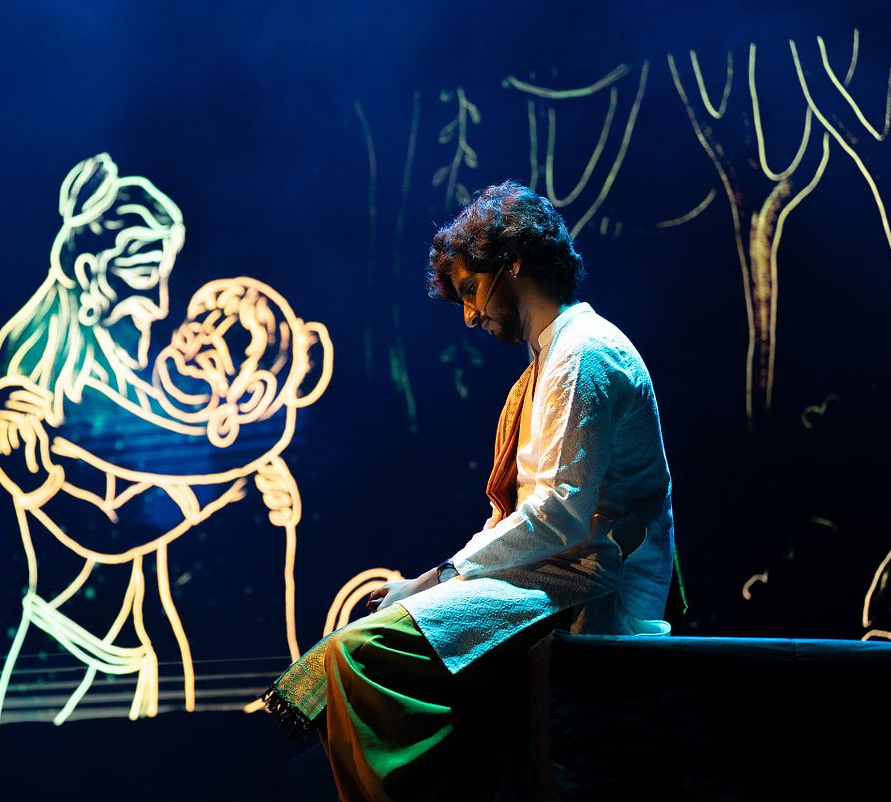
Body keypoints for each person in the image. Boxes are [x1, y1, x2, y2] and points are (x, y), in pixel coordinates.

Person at [261, 180, 675, 801]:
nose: (469, 315)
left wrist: (432, 581)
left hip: (586, 586)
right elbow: (527, 515)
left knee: (360, 654)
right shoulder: (552, 358)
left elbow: (558, 516)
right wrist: (432, 584)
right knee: (357, 651)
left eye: (471, 290)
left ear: (513, 263)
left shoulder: (583, 353)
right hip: (550, 575)